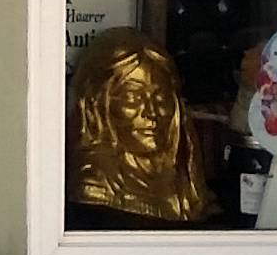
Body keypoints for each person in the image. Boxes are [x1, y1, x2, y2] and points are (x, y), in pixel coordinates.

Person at [69, 27, 217, 222]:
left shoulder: (186, 183)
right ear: (99, 105)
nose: (151, 112)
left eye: (160, 97)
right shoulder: (96, 186)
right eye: (133, 98)